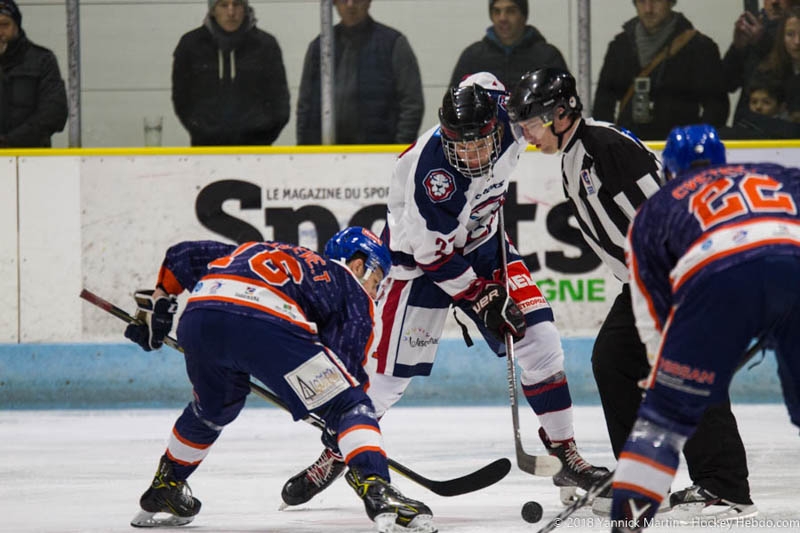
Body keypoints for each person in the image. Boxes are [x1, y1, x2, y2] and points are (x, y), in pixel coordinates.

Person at [282, 72, 609, 509]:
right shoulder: (431, 176)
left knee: (542, 340)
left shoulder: (506, 112)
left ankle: (565, 453)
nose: (471, 155)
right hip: (419, 264)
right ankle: (337, 452)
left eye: (479, 144)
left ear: (496, 123)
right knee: (385, 380)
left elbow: (489, 84)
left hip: (485, 245)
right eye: (461, 146)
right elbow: (432, 256)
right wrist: (481, 297)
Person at [506, 68, 757, 520]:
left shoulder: (606, 147)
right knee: (613, 360)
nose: (527, 133)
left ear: (561, 113)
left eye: (532, 122)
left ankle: (725, 488)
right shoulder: (574, 155)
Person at [124, 227, 438, 533]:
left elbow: (182, 256)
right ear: (358, 265)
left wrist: (161, 301)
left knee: (213, 409)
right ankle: (376, 486)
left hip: (200, 315)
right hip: (266, 322)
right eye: (376, 280)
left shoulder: (264, 251)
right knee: (350, 406)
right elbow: (348, 373)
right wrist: (342, 430)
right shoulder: (349, 286)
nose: (376, 291)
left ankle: (167, 484)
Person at [607, 124, 800, 533]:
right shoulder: (767, 176)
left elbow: (648, 300)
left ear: (668, 170)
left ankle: (714, 490)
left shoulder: (656, 210)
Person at [593, 0, 728, 141]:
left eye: (656, 0)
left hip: (680, 148)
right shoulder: (620, 47)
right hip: (630, 147)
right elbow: (603, 104)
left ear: (670, 2)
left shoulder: (699, 48)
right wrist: (610, 142)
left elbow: (717, 106)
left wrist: (696, 141)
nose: (648, 9)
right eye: (641, 1)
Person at [296, 0, 424, 145]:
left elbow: (411, 104)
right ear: (334, 3)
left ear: (368, 2)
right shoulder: (320, 47)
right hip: (325, 151)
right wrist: (304, 150)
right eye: (344, 0)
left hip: (380, 150)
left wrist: (399, 149)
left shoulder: (392, 44)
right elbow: (305, 106)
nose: (350, 4)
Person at [171, 0, 290, 146]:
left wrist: (262, 136)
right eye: (223, 5)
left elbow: (280, 100)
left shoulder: (265, 45)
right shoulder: (191, 45)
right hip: (206, 149)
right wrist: (201, 131)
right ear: (213, 10)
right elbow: (181, 98)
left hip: (256, 149)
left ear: (245, 8)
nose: (231, 12)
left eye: (237, 4)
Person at [448, 0, 567, 89]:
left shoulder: (547, 57)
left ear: (523, 15)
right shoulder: (472, 57)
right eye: (496, 11)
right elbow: (453, 104)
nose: (502, 18)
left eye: (511, 11)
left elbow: (565, 103)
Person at [0, 0, 67, 147]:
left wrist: (9, 141)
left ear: (17, 25)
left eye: (4, 25)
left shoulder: (42, 60)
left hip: (31, 156)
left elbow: (54, 113)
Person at [721, 0, 800, 123]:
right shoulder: (752, 27)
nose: (774, 2)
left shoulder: (791, 26)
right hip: (750, 123)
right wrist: (737, 49)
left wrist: (762, 40)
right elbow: (727, 84)